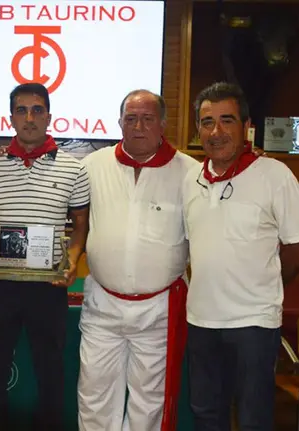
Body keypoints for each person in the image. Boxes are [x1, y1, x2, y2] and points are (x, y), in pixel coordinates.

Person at [183, 82, 299, 430]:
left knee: (254, 418)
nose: (217, 131)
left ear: (246, 126)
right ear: (198, 129)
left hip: (253, 325)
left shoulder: (274, 175)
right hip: (201, 322)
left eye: (227, 120)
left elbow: (298, 249)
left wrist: (261, 285)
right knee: (206, 414)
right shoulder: (191, 179)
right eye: (208, 122)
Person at [0, 82, 90, 430]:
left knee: (50, 372)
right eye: (21, 110)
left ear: (49, 116)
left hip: (48, 285)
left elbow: (81, 226)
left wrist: (70, 259)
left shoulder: (74, 169)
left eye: (37, 110)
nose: (29, 117)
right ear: (11, 118)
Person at [76, 89, 199, 431]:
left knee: (149, 400)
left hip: (158, 310)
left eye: (147, 119)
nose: (138, 127)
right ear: (119, 124)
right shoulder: (91, 166)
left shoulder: (191, 172)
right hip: (103, 304)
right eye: (131, 119)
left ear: (163, 124)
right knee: (93, 393)